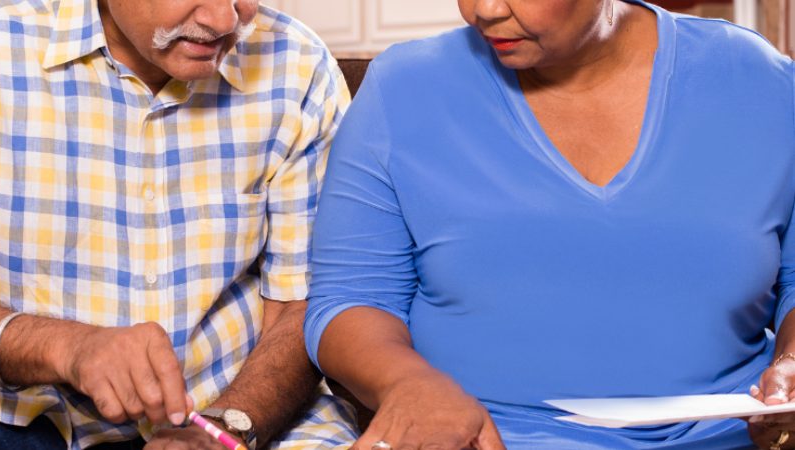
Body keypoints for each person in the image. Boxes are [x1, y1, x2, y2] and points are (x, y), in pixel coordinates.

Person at [0, 0, 357, 448]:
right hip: (20, 427)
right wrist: (66, 348)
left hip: (243, 424)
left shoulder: (299, 69)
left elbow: (301, 309)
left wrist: (223, 429)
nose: (225, 19)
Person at [303, 0, 795, 448]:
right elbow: (350, 301)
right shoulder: (403, 87)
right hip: (491, 438)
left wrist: (790, 365)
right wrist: (408, 383)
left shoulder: (763, 83)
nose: (483, 10)